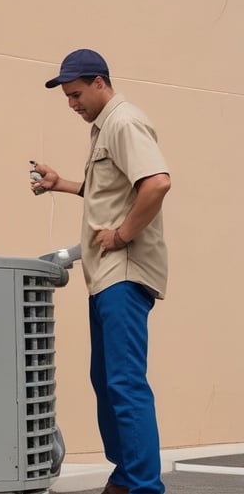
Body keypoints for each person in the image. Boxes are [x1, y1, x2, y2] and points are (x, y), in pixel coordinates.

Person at [32, 49, 171, 494]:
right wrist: (63, 184)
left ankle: (144, 486)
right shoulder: (104, 127)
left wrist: (124, 235)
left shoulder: (124, 121)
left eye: (75, 94)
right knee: (106, 381)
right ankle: (127, 474)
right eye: (67, 98)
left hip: (124, 274)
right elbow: (108, 190)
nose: (72, 104)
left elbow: (157, 182)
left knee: (125, 383)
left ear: (98, 82)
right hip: (106, 277)